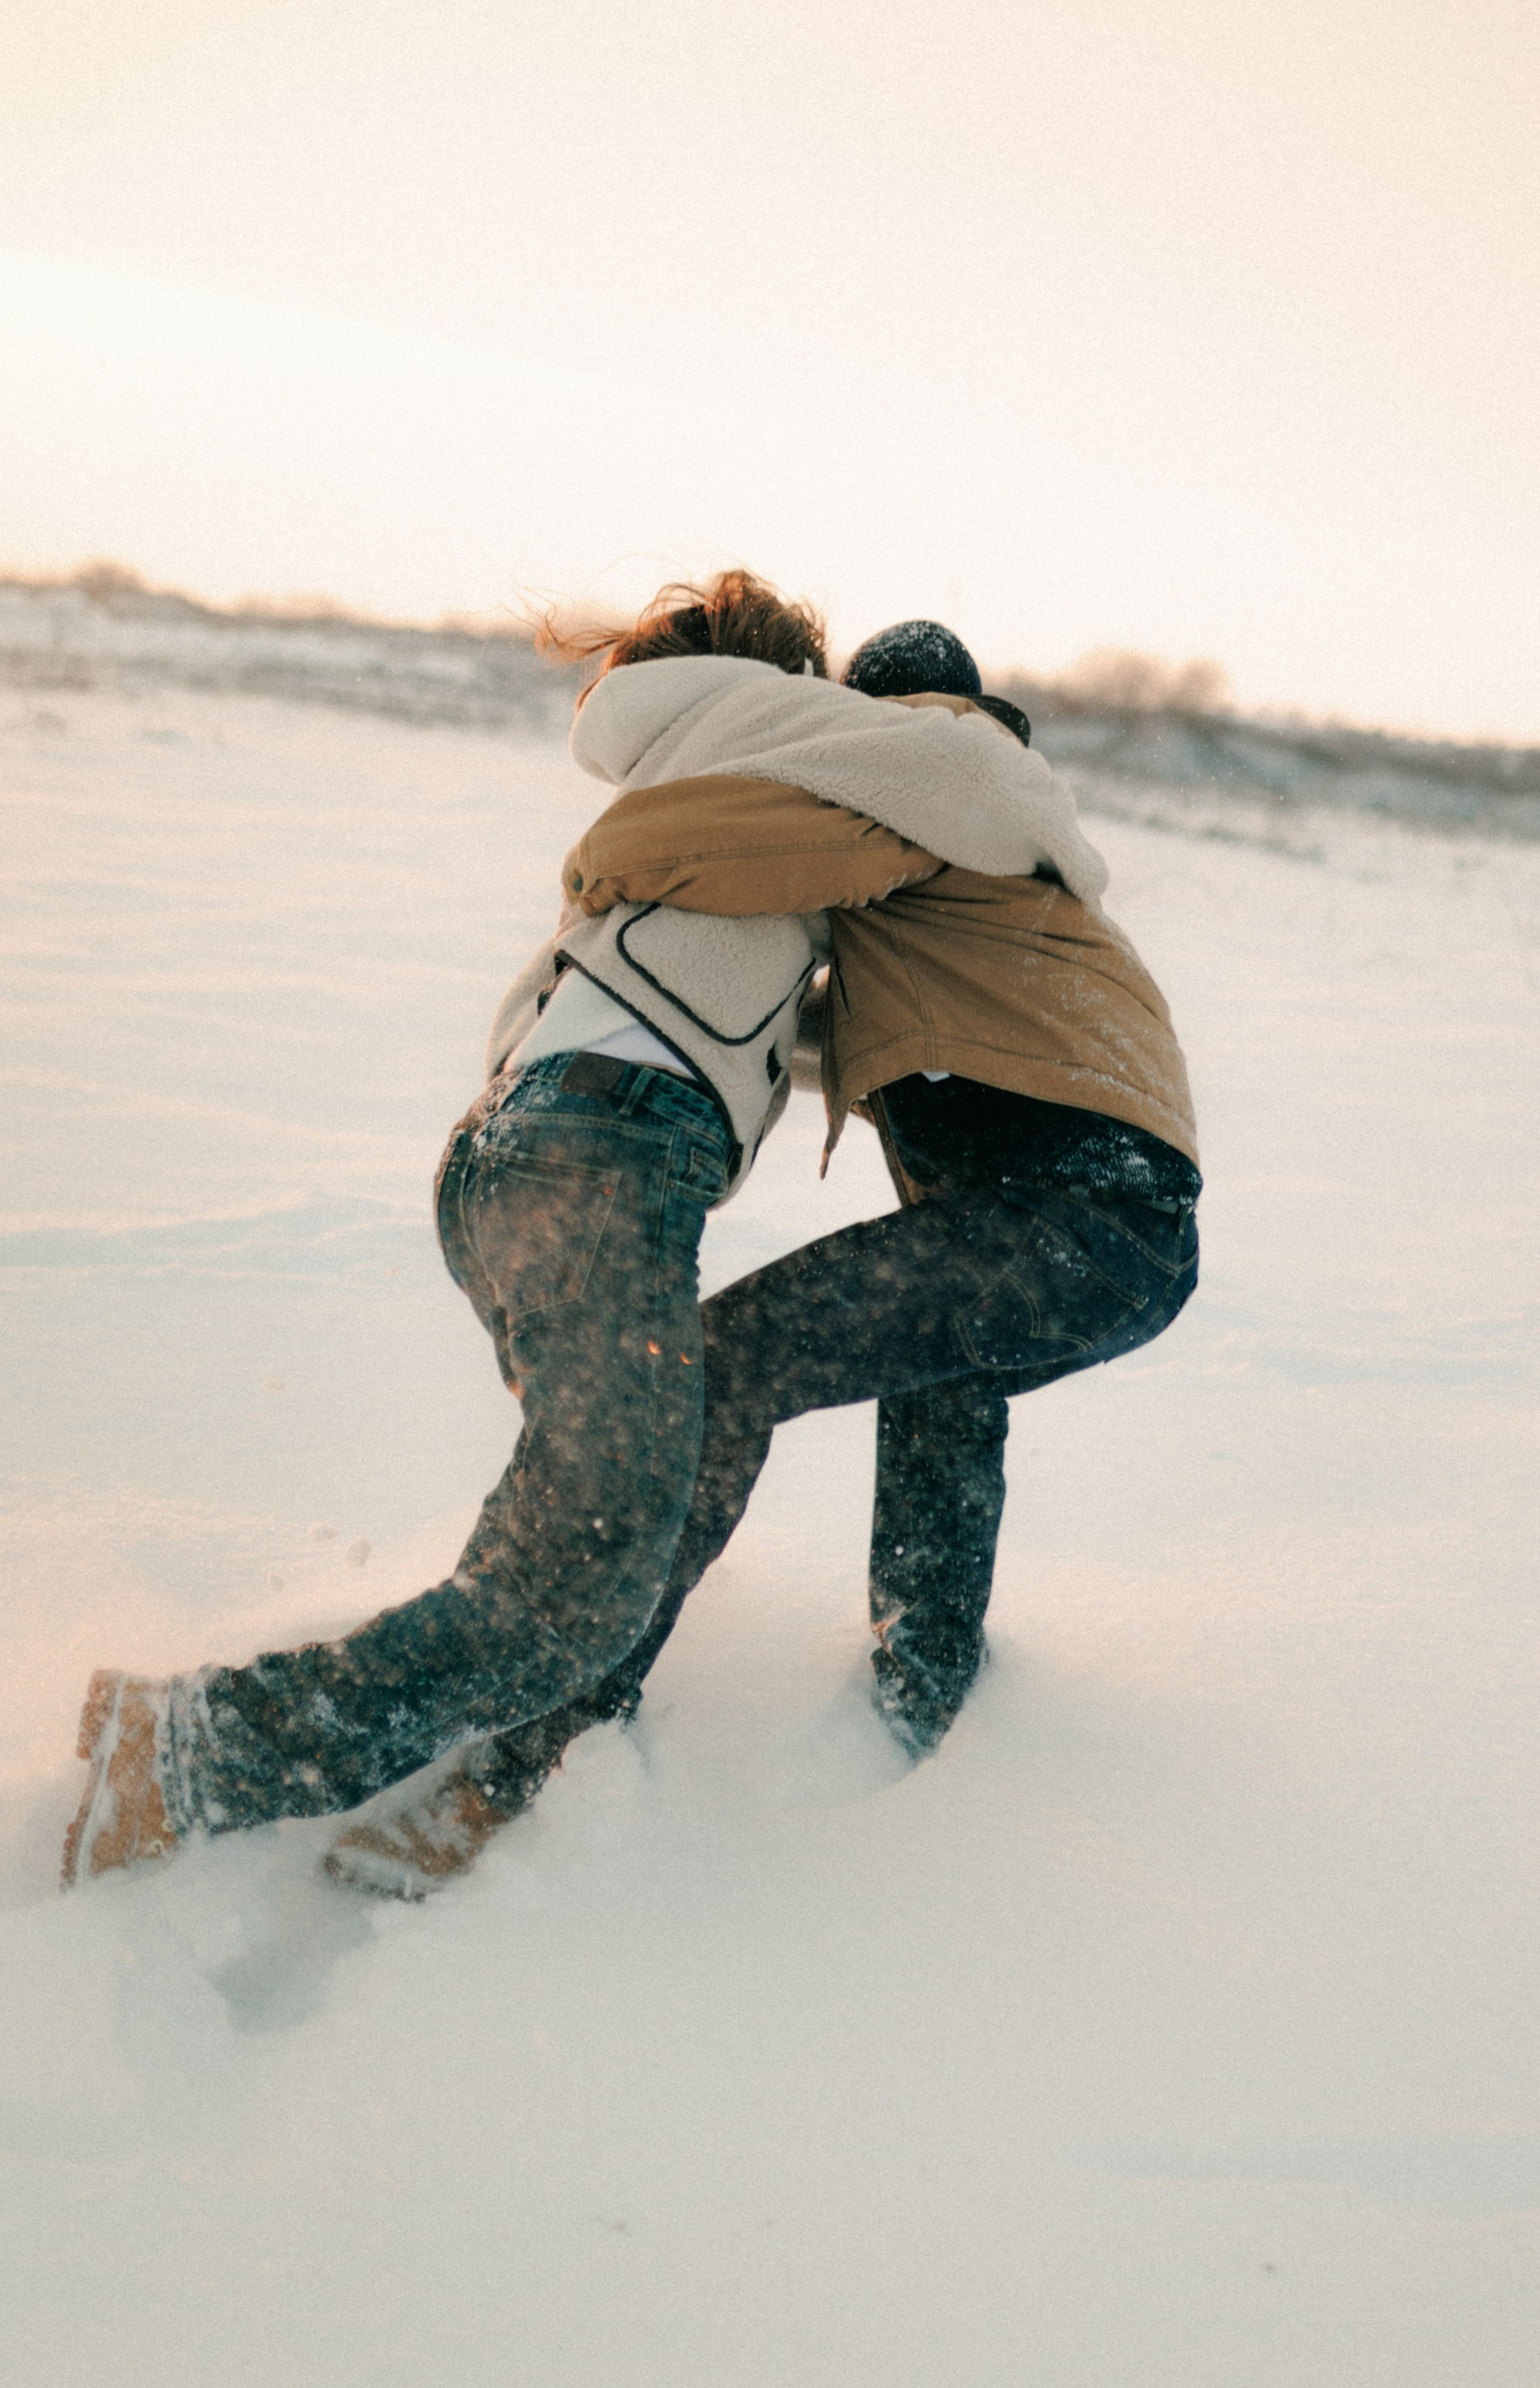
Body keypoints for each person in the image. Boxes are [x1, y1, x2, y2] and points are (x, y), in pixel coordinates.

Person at [60, 572, 1061, 1887]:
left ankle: (413, 1769)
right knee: (581, 1590)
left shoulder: (697, 768)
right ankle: (189, 1750)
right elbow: (987, 786)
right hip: (607, 1162)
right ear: (794, 673)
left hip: (511, 1159)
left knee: (564, 1542)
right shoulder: (800, 735)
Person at [330, 617, 1201, 1890]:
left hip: (1073, 1210)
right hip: (1132, 1232)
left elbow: (743, 853)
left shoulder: (930, 769)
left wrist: (605, 871)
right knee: (938, 1376)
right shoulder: (983, 878)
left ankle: (539, 1745)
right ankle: (923, 1689)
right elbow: (812, 1023)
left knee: (729, 1361)